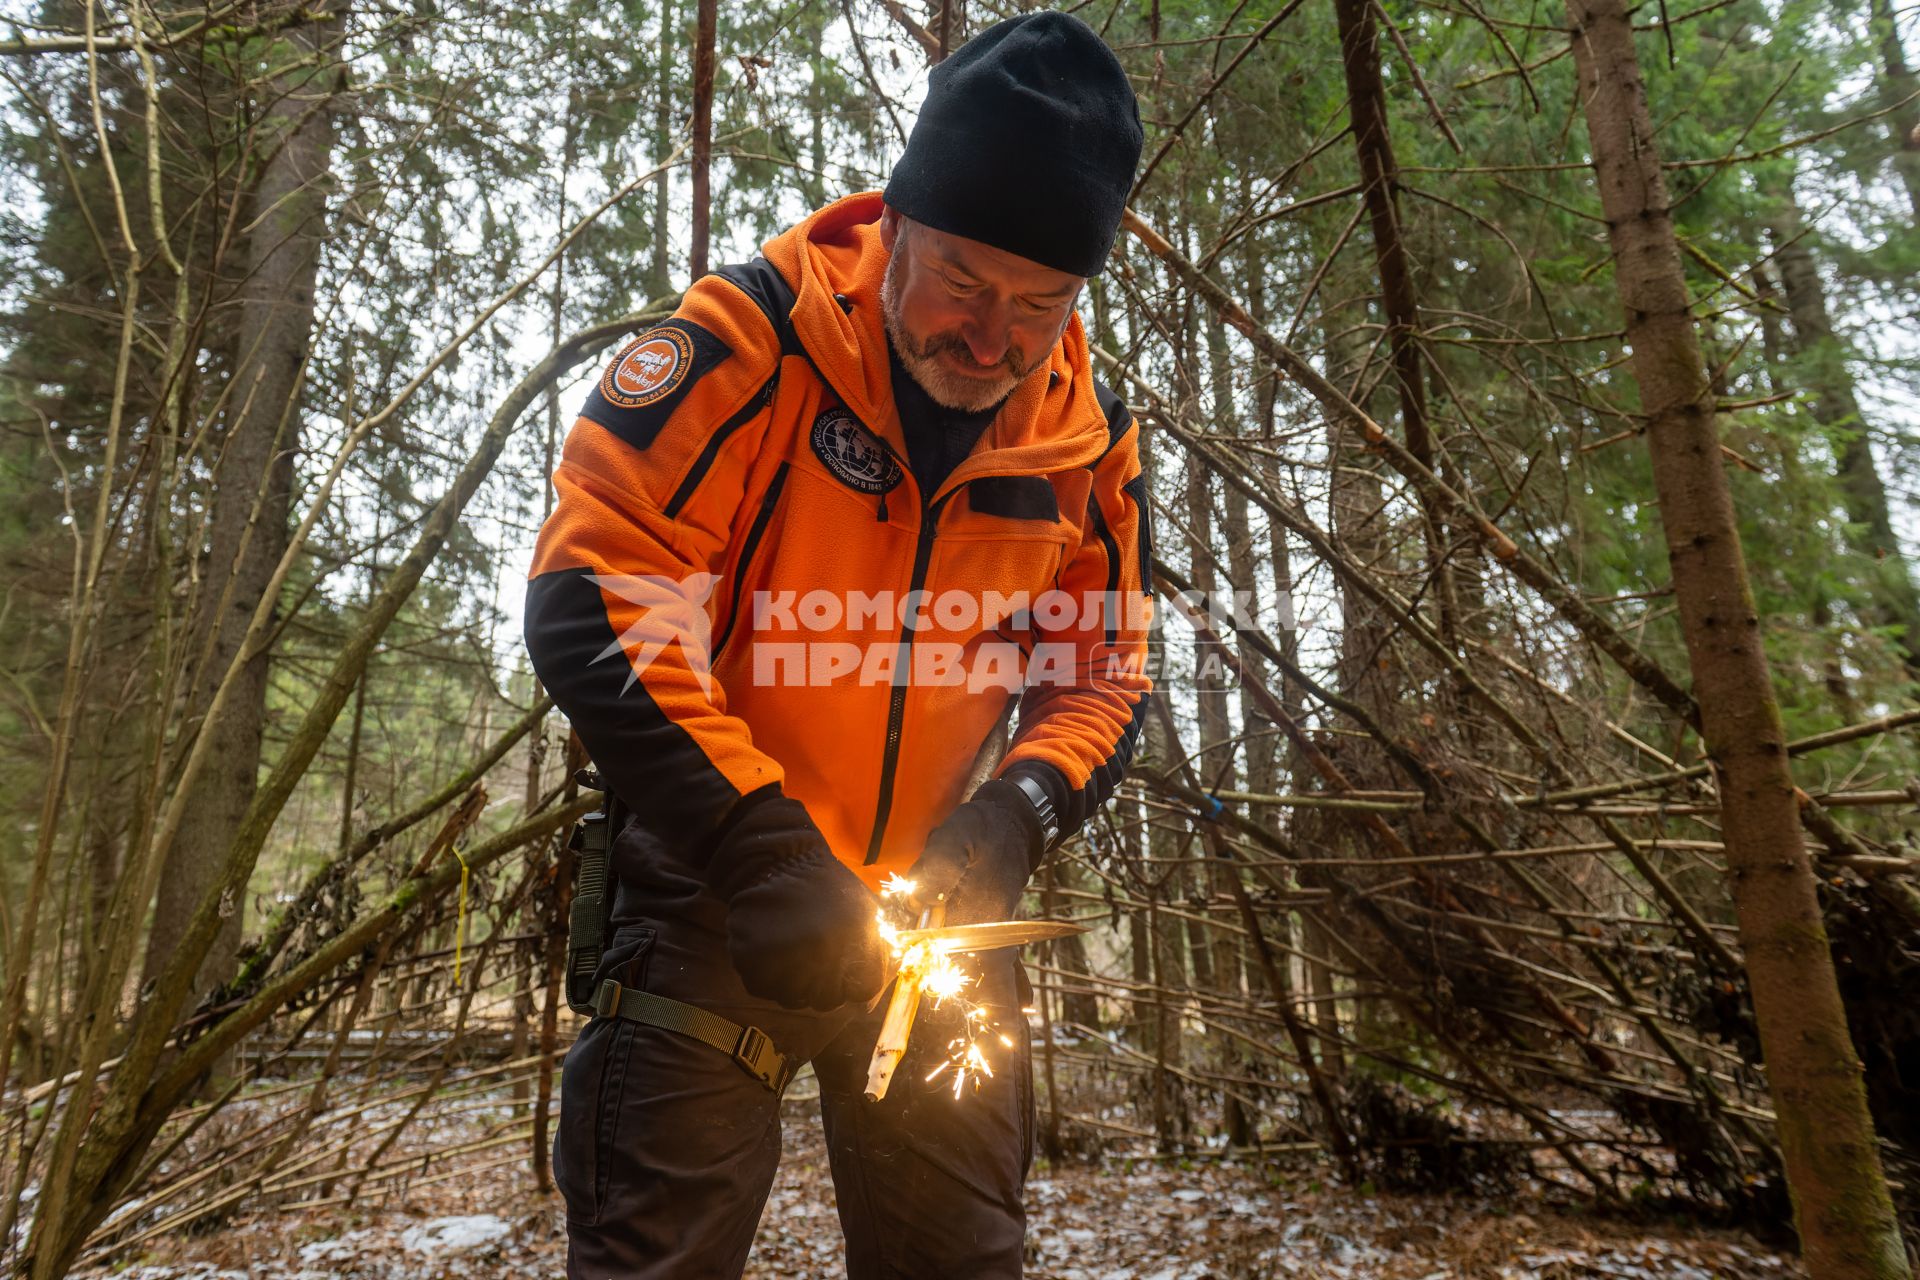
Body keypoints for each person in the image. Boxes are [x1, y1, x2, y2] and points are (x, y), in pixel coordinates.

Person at [523, 12, 1152, 1277]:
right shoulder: (747, 341)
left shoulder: (1087, 440)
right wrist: (755, 837)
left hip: (933, 924)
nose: (993, 339)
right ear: (898, 224)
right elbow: (595, 588)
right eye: (965, 283)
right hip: (715, 888)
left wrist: (1016, 817)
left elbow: (1101, 672)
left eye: (1039, 304)